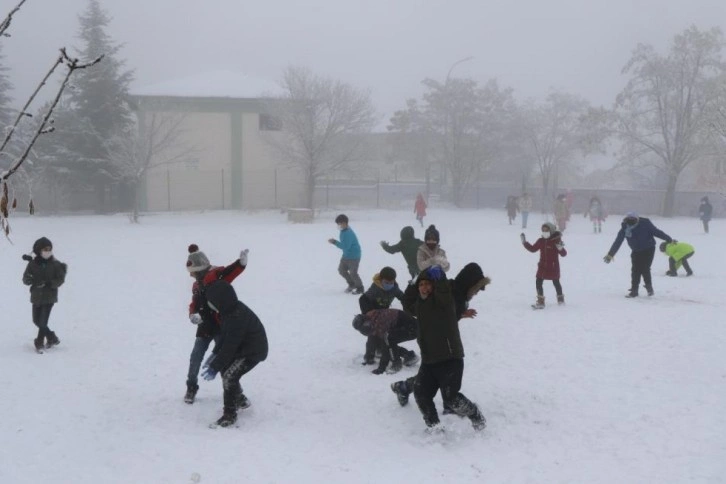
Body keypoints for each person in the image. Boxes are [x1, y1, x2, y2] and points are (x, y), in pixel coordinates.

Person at [391, 263, 490, 429]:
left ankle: (473, 414)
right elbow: (410, 303)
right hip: (430, 357)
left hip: (449, 356)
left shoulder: (446, 296)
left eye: (427, 284)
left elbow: (444, 303)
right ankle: (434, 427)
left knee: (449, 396)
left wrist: (442, 281)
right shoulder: (424, 303)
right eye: (421, 285)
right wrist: (413, 283)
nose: (424, 288)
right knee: (422, 393)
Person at [184, 244, 248, 404]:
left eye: (192, 273)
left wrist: (240, 264)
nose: (190, 276)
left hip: (221, 327)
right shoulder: (196, 285)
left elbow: (230, 271)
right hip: (204, 327)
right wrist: (192, 314)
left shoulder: (216, 276)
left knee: (224, 360)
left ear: (199, 269)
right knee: (195, 357)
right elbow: (194, 303)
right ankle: (191, 387)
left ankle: (237, 394)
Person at [200, 280, 268, 428]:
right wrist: (214, 354)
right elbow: (224, 337)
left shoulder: (237, 316)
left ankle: (229, 415)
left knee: (230, 376)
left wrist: (215, 366)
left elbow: (230, 345)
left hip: (253, 351)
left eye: (211, 301)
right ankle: (240, 399)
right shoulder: (228, 311)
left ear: (220, 300)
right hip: (242, 348)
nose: (210, 305)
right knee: (226, 371)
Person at [604, 211, 672, 298]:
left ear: (637, 219)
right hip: (636, 250)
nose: (631, 221)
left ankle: (649, 287)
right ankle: (634, 290)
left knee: (645, 268)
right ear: (626, 219)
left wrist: (668, 238)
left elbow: (656, 232)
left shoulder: (645, 224)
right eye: (629, 219)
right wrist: (610, 254)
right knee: (635, 270)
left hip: (649, 248)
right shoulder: (625, 228)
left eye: (633, 219)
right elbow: (618, 242)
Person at [21, 237, 67, 352]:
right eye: (45, 249)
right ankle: (52, 337)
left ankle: (39, 342)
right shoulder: (32, 264)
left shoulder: (56, 264)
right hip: (36, 296)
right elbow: (25, 279)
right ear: (39, 250)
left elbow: (60, 279)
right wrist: (29, 279)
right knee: (36, 320)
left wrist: (49, 284)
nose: (48, 251)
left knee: (42, 322)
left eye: (49, 249)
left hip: (49, 296)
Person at [358, 266, 406, 365]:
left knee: (384, 335)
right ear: (381, 280)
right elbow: (362, 299)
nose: (389, 285)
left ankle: (380, 350)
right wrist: (368, 312)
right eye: (386, 283)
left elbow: (403, 297)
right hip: (373, 315)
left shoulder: (394, 288)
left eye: (391, 282)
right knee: (373, 335)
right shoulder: (375, 288)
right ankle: (369, 356)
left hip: (385, 315)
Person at [352, 309, 418, 375]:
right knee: (382, 340)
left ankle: (396, 364)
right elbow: (371, 339)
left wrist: (381, 368)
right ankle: (410, 356)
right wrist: (369, 357)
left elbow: (386, 346)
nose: (363, 330)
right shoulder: (372, 320)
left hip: (413, 329)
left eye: (363, 327)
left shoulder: (379, 322)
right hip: (404, 326)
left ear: (366, 322)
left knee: (388, 339)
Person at [521, 222, 567, 309]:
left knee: (556, 282)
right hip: (542, 266)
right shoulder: (541, 241)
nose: (544, 232)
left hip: (553, 266)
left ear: (551, 231)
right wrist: (524, 243)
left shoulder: (556, 241)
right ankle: (541, 301)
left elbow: (564, 254)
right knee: (538, 281)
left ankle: (560, 300)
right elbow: (533, 249)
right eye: (543, 230)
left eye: (547, 230)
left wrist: (561, 248)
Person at [328, 214, 364, 294]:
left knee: (353, 273)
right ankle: (352, 284)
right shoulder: (343, 231)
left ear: (345, 223)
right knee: (341, 270)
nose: (339, 225)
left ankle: (360, 287)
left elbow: (345, 246)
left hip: (354, 256)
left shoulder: (348, 233)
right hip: (346, 255)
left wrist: (334, 242)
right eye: (338, 224)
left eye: (340, 223)